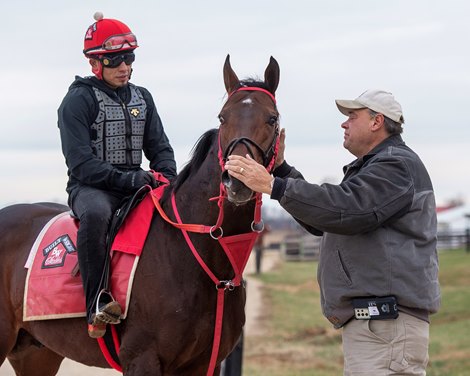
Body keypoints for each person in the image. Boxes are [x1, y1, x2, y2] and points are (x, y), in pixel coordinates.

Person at [225, 89, 440, 375]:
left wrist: (273, 186)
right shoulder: (377, 167)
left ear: (377, 121)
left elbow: (348, 209)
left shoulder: (396, 165)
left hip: (387, 327)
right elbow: (326, 219)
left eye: (352, 116)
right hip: (378, 327)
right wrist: (282, 171)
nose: (344, 123)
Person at [58, 12, 177, 338]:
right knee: (96, 215)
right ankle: (96, 303)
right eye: (115, 61)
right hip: (90, 187)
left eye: (129, 57)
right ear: (96, 64)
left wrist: (167, 176)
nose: (124, 66)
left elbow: (160, 147)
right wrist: (128, 180)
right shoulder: (77, 101)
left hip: (136, 182)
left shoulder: (144, 97)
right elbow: (80, 163)